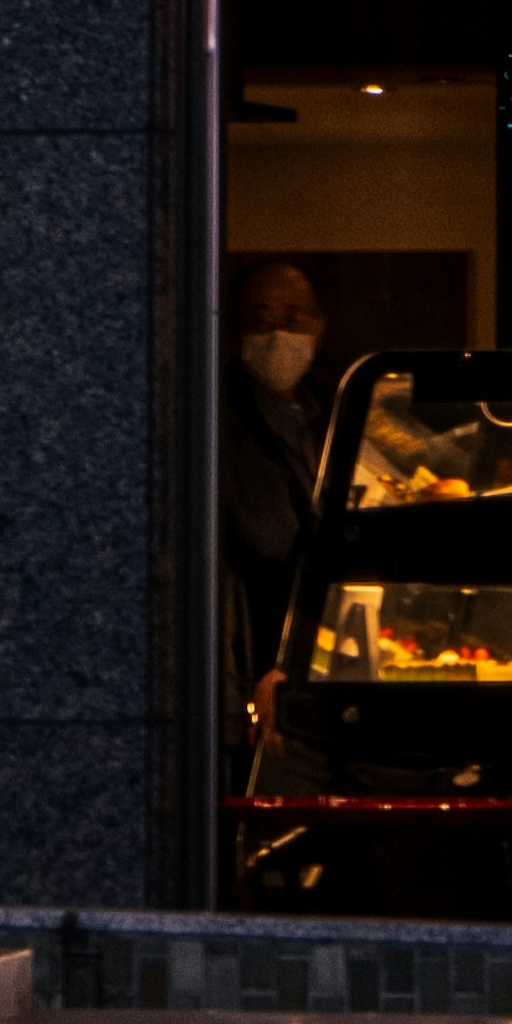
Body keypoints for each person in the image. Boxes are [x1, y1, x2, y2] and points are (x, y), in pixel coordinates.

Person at [220, 258, 327, 745]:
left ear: (319, 327)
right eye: (262, 322)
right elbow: (268, 542)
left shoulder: (329, 411)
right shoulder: (222, 419)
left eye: (292, 318)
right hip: (253, 649)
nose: (278, 334)